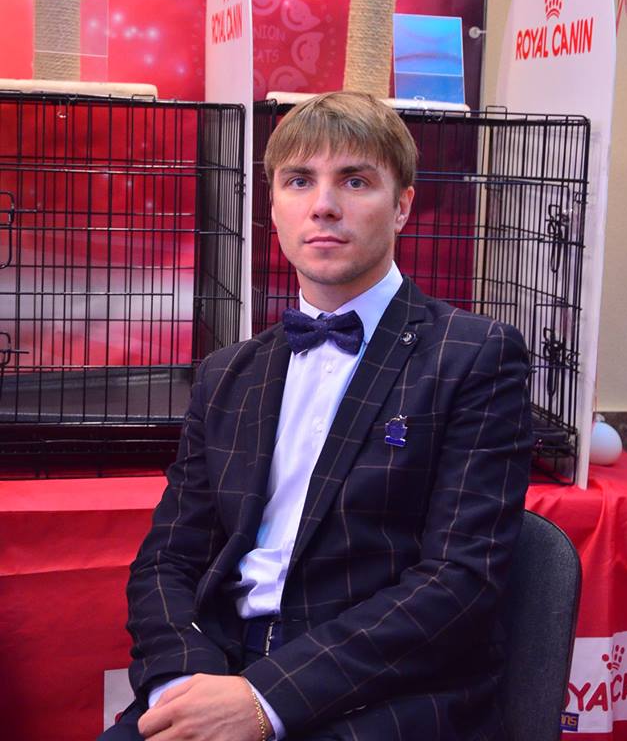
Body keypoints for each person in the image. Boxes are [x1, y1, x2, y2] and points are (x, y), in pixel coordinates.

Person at [100, 91, 532, 741]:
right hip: (218, 669)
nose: (323, 204)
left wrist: (263, 702)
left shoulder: (476, 355)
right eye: (299, 181)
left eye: (354, 181)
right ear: (273, 206)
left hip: (382, 695)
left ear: (403, 205)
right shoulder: (227, 375)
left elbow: (458, 582)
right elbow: (166, 562)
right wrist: (184, 681)